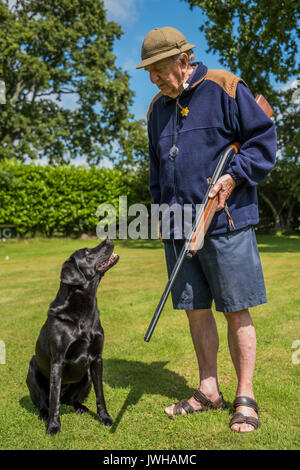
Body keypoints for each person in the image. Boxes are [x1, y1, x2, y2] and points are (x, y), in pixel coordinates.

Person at [136, 27, 276, 433]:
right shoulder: (156, 110)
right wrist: (164, 215)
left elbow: (262, 140)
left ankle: (245, 397)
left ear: (183, 60)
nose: (154, 80)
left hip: (226, 223)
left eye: (159, 70)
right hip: (179, 228)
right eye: (149, 73)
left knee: (235, 310)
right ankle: (208, 389)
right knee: (196, 311)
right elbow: (157, 173)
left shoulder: (226, 87)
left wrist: (234, 178)